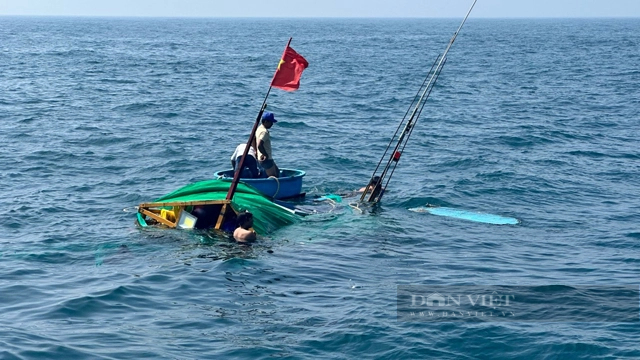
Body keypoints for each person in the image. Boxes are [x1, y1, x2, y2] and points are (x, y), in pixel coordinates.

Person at [256, 111, 280, 178]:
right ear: (266, 121)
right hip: (266, 159)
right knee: (274, 177)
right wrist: (265, 155)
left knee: (277, 172)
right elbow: (259, 144)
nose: (272, 124)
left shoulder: (259, 129)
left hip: (261, 158)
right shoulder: (264, 132)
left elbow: (253, 141)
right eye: (271, 122)